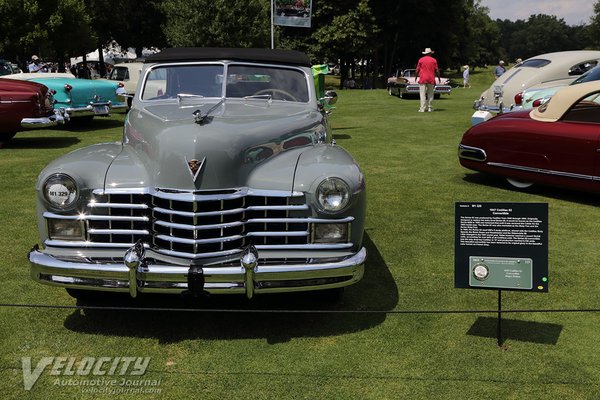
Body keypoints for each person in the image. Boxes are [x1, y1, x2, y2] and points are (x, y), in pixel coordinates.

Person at [415, 47, 440, 112]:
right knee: (430, 94)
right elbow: (437, 70)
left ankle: (422, 108)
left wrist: (415, 77)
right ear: (430, 53)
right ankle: (430, 108)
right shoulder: (434, 60)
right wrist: (439, 78)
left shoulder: (421, 60)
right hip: (431, 78)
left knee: (422, 94)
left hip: (423, 78)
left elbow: (417, 70)